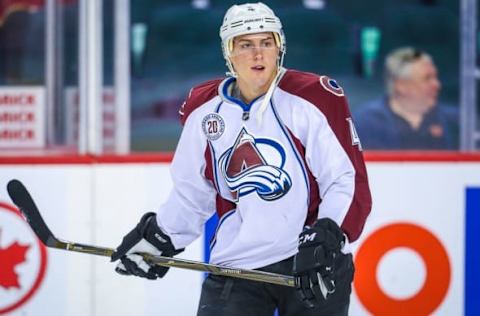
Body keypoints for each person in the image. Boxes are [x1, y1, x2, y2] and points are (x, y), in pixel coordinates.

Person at [111, 3, 372, 315]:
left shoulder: (312, 98)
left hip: (311, 260)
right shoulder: (204, 110)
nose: (258, 55)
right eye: (245, 45)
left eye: (266, 43)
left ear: (280, 48)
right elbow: (193, 192)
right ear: (228, 52)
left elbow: (344, 178)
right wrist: (161, 236)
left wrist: (328, 236)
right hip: (237, 267)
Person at [354, 47, 459, 150]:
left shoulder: (454, 122)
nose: (437, 85)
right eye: (427, 78)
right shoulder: (366, 123)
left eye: (435, 77)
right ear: (401, 85)